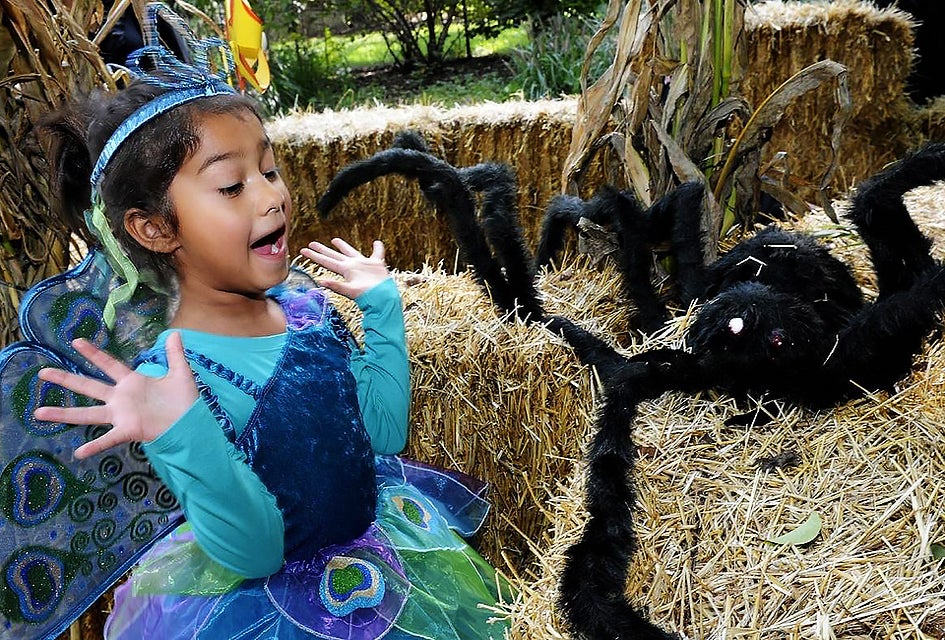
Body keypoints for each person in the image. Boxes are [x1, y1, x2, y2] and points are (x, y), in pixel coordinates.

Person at [22, 8, 512, 639]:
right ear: (154, 228)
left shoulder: (305, 311)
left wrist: (382, 308)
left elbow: (385, 432)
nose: (271, 195)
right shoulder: (171, 383)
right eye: (231, 185)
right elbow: (254, 551)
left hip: (382, 564)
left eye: (270, 170)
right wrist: (180, 433)